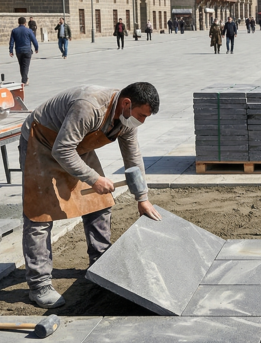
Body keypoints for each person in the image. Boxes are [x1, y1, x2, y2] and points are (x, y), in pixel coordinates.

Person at [19, 82, 161, 308]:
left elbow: (133, 158)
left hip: (74, 146)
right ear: (127, 103)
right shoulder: (89, 107)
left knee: (99, 203)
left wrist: (142, 198)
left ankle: (100, 262)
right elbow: (61, 150)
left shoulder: (126, 120)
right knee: (40, 214)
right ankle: (39, 284)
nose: (141, 121)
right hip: (43, 141)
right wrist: (93, 178)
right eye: (141, 115)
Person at [9, 17, 39, 85]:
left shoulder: (14, 31)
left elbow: (11, 42)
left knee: (21, 65)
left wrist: (11, 50)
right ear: (25, 23)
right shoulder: (29, 30)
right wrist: (36, 48)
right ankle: (24, 81)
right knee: (25, 66)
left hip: (18, 51)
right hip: (27, 50)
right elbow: (34, 40)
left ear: (18, 22)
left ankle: (24, 78)